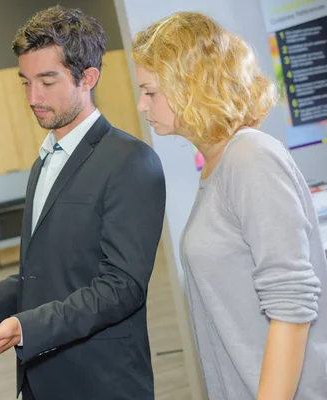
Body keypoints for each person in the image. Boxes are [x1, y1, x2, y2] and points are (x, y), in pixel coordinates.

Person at [0, 5, 166, 400]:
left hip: (101, 383)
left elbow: (122, 287)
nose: (33, 97)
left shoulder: (132, 161)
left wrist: (26, 327)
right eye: (25, 82)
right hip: (41, 380)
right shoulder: (44, 162)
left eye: (47, 80)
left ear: (88, 77)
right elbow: (50, 271)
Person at [131, 11, 327, 400]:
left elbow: (291, 303)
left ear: (189, 84)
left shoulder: (250, 156)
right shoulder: (217, 165)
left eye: (150, 91)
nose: (141, 105)